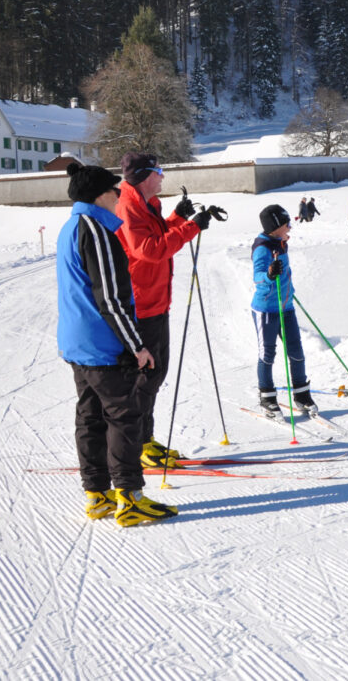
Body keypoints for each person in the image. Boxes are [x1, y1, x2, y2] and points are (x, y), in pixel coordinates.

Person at [56, 162, 176, 527]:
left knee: (90, 417)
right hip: (102, 344)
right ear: (102, 195)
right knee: (124, 417)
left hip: (77, 343)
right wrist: (137, 345)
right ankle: (130, 497)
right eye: (115, 192)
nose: (119, 197)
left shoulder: (71, 226)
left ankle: (97, 494)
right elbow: (110, 297)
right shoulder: (97, 230)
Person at [115, 153, 217, 469]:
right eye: (159, 171)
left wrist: (177, 218)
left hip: (156, 301)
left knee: (156, 374)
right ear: (146, 175)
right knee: (145, 378)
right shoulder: (129, 207)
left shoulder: (148, 204)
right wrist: (191, 228)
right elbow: (149, 250)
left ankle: (145, 439)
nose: (163, 176)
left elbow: (157, 236)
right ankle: (136, 444)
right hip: (141, 305)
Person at [252, 205, 318, 416]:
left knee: (296, 351)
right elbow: (258, 277)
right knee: (268, 354)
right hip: (267, 310)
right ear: (274, 226)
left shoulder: (281, 243)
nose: (289, 226)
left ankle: (301, 394)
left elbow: (286, 271)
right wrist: (269, 276)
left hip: (286, 306)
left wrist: (288, 289)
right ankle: (267, 397)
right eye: (285, 223)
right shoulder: (262, 247)